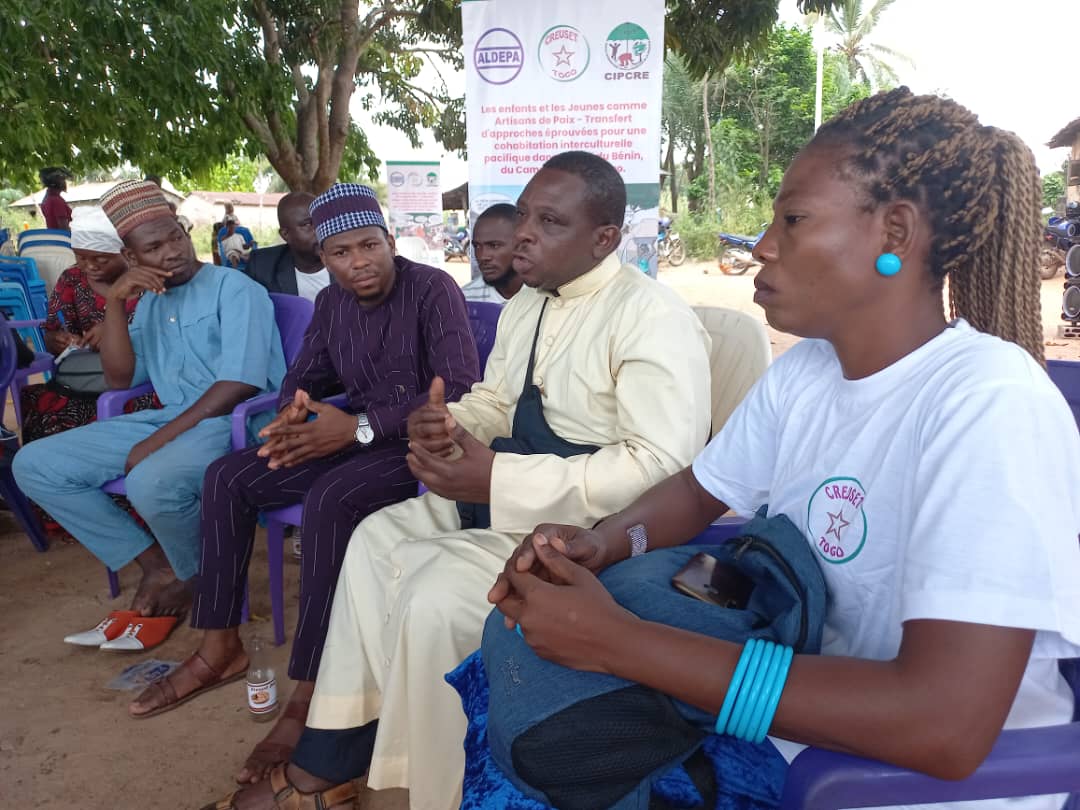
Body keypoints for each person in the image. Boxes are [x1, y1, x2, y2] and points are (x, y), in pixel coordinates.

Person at [480, 89, 1080, 810]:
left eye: (792, 221)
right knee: (521, 704)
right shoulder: (806, 373)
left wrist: (618, 643)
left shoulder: (987, 402)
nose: (762, 246)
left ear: (895, 232)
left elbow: (942, 724)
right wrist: (600, 544)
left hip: (903, 785)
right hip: (793, 728)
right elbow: (699, 491)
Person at [201, 151, 714, 810]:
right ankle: (333, 760)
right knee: (373, 540)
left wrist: (497, 476)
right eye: (523, 215)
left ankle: (441, 791)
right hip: (502, 494)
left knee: (431, 596)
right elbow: (494, 402)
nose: (523, 234)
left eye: (549, 221)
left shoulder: (651, 316)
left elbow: (660, 469)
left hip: (587, 530)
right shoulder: (529, 305)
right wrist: (443, 424)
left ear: (604, 238)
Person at [128, 185, 480, 768]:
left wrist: (358, 428)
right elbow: (306, 373)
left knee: (329, 498)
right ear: (323, 258)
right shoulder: (334, 303)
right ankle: (219, 648)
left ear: (390, 242)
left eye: (369, 245)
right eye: (341, 252)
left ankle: (312, 691)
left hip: (419, 446)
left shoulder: (432, 288)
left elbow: (460, 389)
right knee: (227, 477)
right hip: (349, 435)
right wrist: (294, 411)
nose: (358, 262)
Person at [14, 180, 286, 650]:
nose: (171, 252)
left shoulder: (235, 289)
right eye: (153, 248)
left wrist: (156, 442)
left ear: (185, 231)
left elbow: (239, 384)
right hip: (174, 417)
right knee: (34, 464)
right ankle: (162, 569)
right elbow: (121, 379)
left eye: (175, 237)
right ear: (130, 255)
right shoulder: (152, 301)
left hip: (237, 421)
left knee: (151, 480)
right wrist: (116, 303)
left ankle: (197, 578)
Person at [20, 206, 156, 444]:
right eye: (80, 257)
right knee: (43, 408)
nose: (89, 266)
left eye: (101, 259)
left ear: (127, 254)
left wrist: (115, 331)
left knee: (124, 423)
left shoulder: (148, 282)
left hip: (141, 381)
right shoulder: (72, 279)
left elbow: (167, 335)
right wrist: (58, 340)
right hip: (85, 378)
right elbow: (53, 330)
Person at [243, 192, 330, 301]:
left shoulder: (346, 260)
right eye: (307, 224)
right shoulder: (262, 267)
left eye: (322, 221)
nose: (320, 230)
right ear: (285, 235)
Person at [460, 203, 522, 305]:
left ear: (521, 245)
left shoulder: (545, 297)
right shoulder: (464, 299)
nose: (482, 256)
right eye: (477, 246)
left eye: (494, 245)